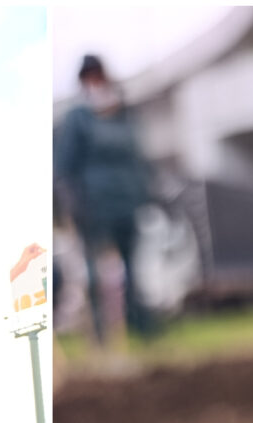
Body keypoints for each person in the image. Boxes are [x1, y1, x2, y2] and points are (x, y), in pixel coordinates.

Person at [53, 55, 156, 345]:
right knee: (96, 274)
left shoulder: (125, 115)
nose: (95, 82)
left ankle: (140, 327)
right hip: (93, 206)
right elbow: (65, 167)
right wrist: (73, 204)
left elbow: (139, 159)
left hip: (127, 203)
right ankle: (101, 334)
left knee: (133, 270)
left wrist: (145, 194)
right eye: (89, 77)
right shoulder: (77, 119)